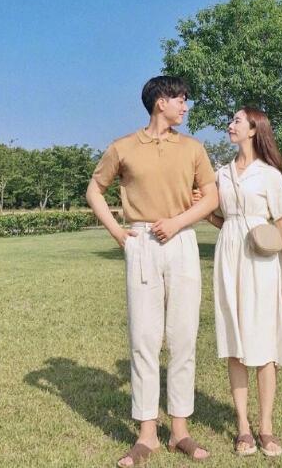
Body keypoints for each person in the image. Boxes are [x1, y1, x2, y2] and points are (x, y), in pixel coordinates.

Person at [86, 76, 218, 467]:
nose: (185, 106)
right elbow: (95, 190)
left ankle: (180, 432)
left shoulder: (193, 148)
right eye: (181, 99)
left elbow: (211, 197)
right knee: (144, 339)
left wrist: (177, 222)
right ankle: (147, 436)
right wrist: (118, 233)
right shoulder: (123, 147)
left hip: (182, 241)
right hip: (141, 242)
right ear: (161, 101)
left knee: (183, 338)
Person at [205, 107, 282, 457]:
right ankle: (243, 427)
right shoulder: (221, 174)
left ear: (254, 129)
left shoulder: (269, 175)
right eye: (231, 120)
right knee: (235, 340)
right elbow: (221, 217)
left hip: (263, 264)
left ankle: (266, 428)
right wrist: (218, 220)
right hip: (229, 260)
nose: (230, 125)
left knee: (265, 344)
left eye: (237, 121)